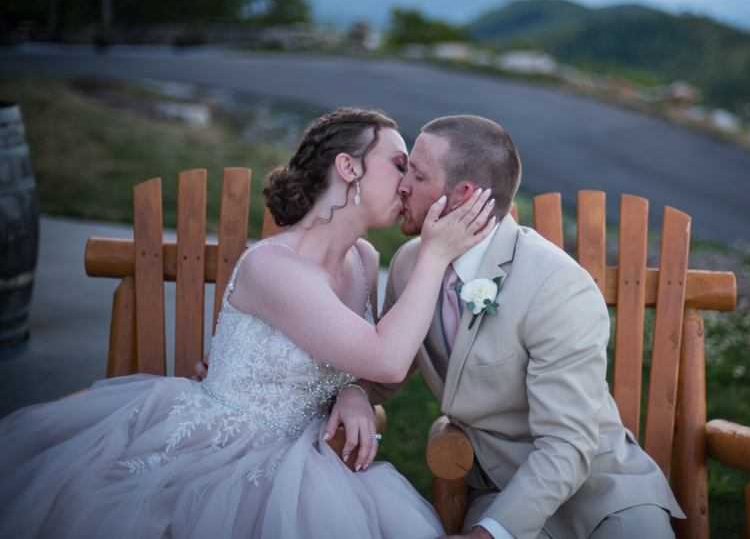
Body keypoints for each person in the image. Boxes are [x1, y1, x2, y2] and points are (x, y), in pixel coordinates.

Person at [0, 108, 496, 539]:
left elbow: (374, 363)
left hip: (306, 455)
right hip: (221, 456)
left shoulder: (364, 260)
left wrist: (354, 392)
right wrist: (435, 255)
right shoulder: (271, 267)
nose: (408, 183)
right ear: (348, 168)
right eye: (398, 165)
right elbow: (387, 357)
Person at [366, 115, 685, 539]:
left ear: (463, 196)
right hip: (500, 490)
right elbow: (384, 368)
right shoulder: (410, 265)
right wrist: (355, 393)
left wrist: (488, 535)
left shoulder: (556, 286)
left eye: (417, 175)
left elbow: (568, 445)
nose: (402, 185)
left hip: (603, 492)